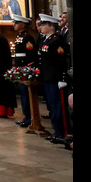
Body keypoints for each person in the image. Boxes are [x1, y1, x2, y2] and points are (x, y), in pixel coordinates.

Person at [38, 14, 72, 143]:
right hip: (48, 77)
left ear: (51, 26)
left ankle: (63, 133)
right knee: (52, 105)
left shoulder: (57, 40)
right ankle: (56, 131)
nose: (41, 27)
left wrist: (62, 78)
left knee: (59, 106)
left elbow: (60, 61)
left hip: (55, 79)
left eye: (43, 25)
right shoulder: (46, 39)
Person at [11, 14, 37, 127]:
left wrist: (27, 68)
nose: (14, 25)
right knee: (23, 93)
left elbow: (30, 54)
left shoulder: (27, 37)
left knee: (26, 94)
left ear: (22, 25)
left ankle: (29, 117)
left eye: (16, 23)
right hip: (20, 67)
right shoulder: (19, 36)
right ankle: (26, 116)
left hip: (25, 68)